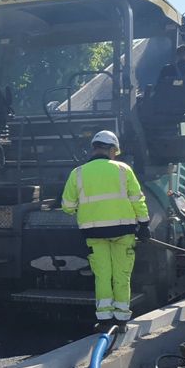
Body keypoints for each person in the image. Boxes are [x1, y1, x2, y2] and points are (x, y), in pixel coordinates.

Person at [61, 130, 150, 329]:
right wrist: (144, 225)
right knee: (122, 275)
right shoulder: (123, 169)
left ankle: (103, 320)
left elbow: (67, 206)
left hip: (94, 234)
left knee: (102, 276)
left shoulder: (78, 173)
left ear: (94, 149)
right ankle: (121, 319)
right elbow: (138, 200)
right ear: (111, 149)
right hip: (123, 232)